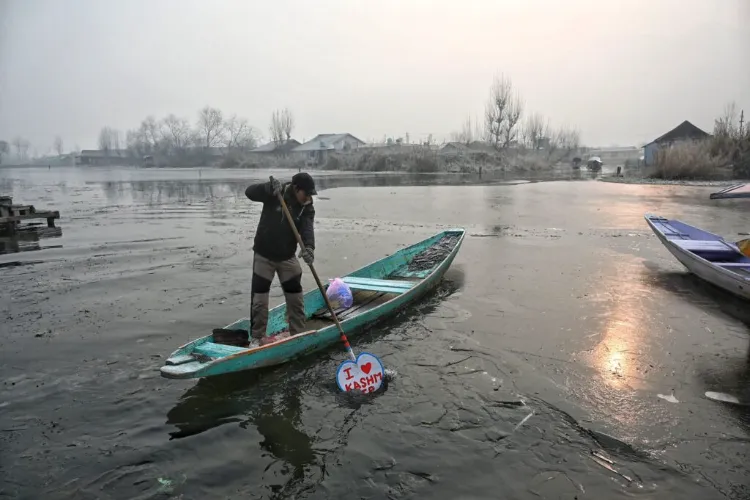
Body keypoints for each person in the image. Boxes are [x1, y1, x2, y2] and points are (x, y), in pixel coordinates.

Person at [244, 173, 316, 341]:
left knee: (295, 299)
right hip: (264, 254)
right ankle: (257, 338)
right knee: (259, 301)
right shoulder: (276, 193)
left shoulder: (307, 206)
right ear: (296, 188)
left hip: (287, 256)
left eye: (311, 195)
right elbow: (249, 192)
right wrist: (267, 188)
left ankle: (298, 335)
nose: (308, 197)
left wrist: (310, 248)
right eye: (306, 193)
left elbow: (307, 229)